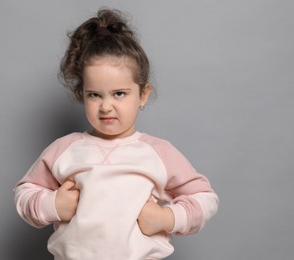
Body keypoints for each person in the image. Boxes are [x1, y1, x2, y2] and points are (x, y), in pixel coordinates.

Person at [14, 8, 219, 260]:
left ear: (142, 94)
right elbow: (25, 192)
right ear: (82, 94)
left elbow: (205, 198)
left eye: (119, 93)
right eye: (95, 95)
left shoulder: (158, 152)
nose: (106, 106)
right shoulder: (65, 149)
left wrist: (168, 217)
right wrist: (53, 204)